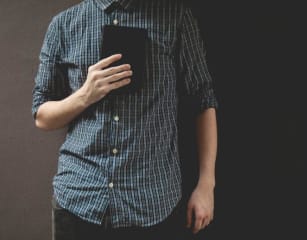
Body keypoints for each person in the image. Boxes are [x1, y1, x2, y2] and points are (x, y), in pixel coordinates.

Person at [32, 0, 218, 239]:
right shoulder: (63, 25)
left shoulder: (175, 18)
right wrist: (84, 95)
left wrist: (206, 185)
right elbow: (42, 116)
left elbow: (203, 100)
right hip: (78, 200)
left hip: (151, 202)